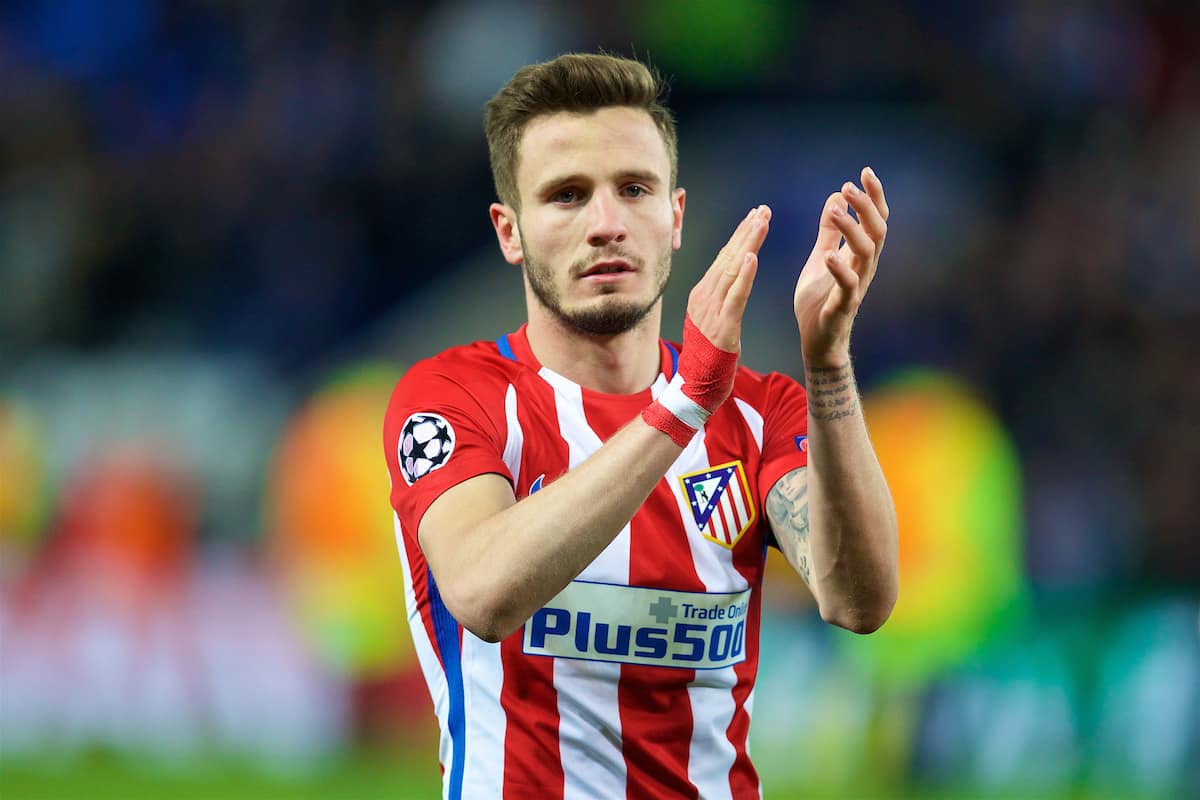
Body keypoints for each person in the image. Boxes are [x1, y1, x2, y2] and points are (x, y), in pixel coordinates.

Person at [383, 52, 898, 800]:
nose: (606, 224)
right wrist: (683, 404)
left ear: (676, 216)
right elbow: (484, 591)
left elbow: (859, 602)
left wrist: (829, 362)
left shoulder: (761, 412)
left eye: (634, 189)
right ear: (510, 231)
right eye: (566, 196)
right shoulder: (454, 397)